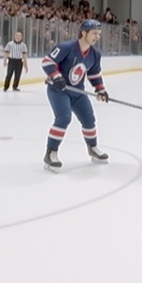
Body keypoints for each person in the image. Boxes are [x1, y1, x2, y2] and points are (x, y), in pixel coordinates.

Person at [40, 19, 109, 171]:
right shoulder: (66, 47)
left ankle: (92, 148)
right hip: (58, 91)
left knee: (89, 119)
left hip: (78, 92)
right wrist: (56, 76)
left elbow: (94, 73)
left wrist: (100, 89)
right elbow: (47, 62)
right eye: (94, 33)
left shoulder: (95, 54)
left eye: (99, 34)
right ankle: (51, 153)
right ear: (84, 33)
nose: (97, 36)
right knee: (64, 118)